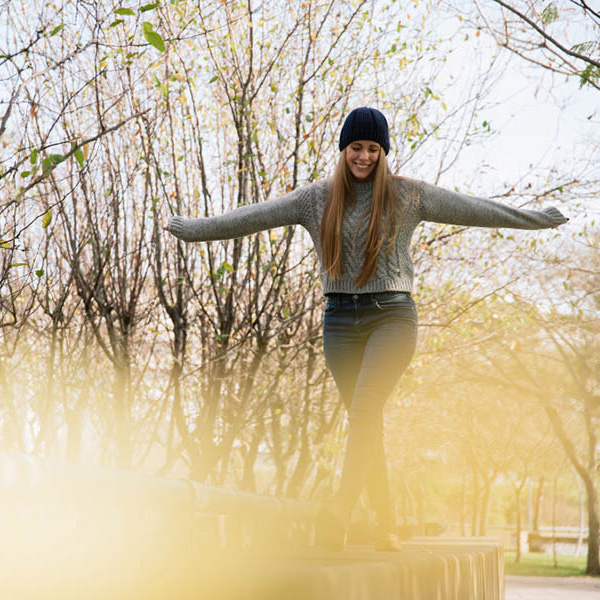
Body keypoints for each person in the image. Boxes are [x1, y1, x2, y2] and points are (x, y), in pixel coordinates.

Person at [165, 107, 568, 552]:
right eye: (357, 147)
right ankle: (385, 525)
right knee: (365, 424)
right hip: (339, 321)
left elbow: (474, 209)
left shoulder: (408, 195)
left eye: (373, 149)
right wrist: (193, 231)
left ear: (383, 152)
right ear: (344, 149)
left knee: (364, 413)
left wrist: (535, 218)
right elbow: (253, 217)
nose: (364, 157)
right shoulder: (314, 200)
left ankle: (337, 511)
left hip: (392, 318)